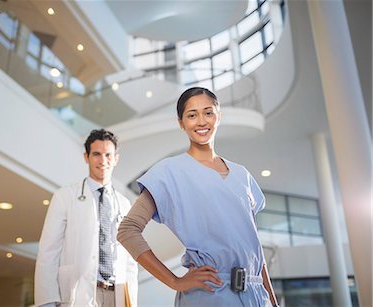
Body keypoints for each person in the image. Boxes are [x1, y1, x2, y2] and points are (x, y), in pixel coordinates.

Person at [117, 87, 279, 306]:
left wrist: (272, 299)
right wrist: (175, 281)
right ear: (181, 123)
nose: (201, 121)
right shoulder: (169, 172)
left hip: (255, 295)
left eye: (208, 112)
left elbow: (253, 248)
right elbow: (128, 231)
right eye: (192, 115)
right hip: (210, 294)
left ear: (218, 116)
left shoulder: (243, 176)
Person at [35, 129, 138, 307]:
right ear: (86, 157)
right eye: (96, 154)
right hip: (79, 293)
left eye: (108, 155)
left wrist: (131, 302)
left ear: (116, 158)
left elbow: (130, 261)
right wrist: (47, 301)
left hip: (118, 295)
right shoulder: (65, 196)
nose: (103, 161)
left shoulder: (124, 204)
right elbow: (48, 252)